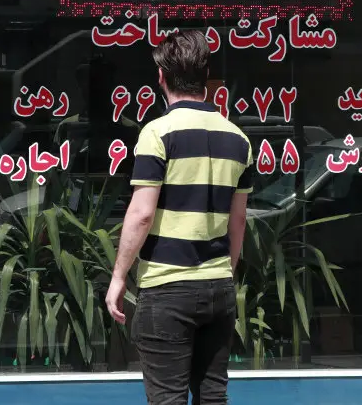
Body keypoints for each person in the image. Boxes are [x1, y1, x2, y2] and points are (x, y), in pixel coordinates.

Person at [105, 30, 254, 405]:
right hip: (218, 287)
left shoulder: (157, 134)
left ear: (161, 76)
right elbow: (238, 221)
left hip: (166, 288)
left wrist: (119, 277)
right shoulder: (238, 139)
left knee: (167, 399)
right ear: (206, 76)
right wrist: (225, 272)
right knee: (213, 397)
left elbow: (142, 214)